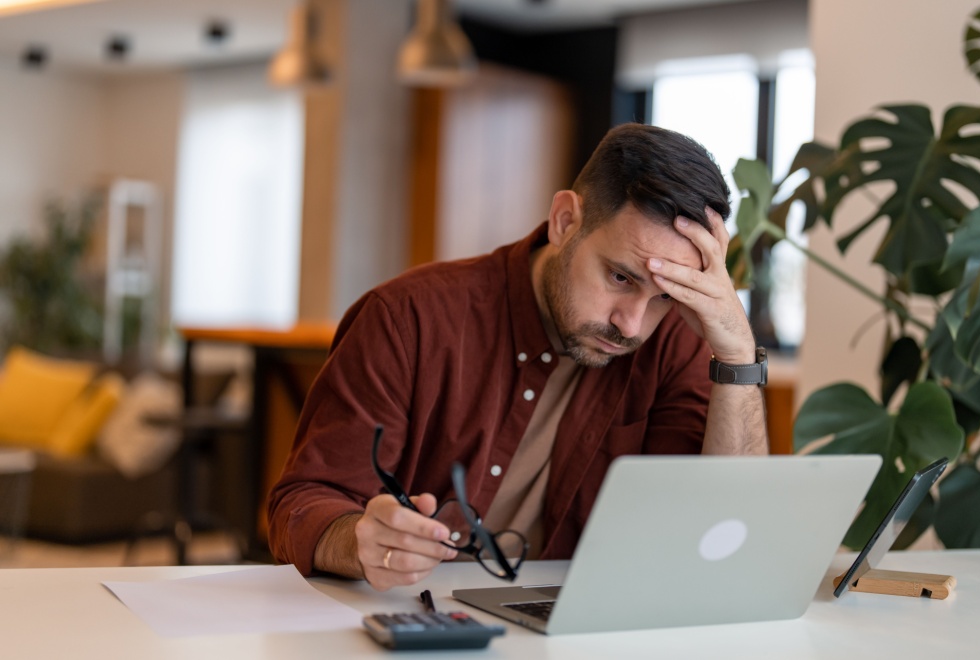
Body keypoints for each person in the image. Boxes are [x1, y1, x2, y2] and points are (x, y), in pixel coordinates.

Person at [267, 123, 768, 590]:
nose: (632, 324)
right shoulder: (406, 319)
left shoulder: (673, 342)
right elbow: (302, 502)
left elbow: (727, 539)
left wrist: (738, 353)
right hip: (415, 625)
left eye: (665, 296)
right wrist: (360, 542)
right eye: (620, 277)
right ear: (565, 220)